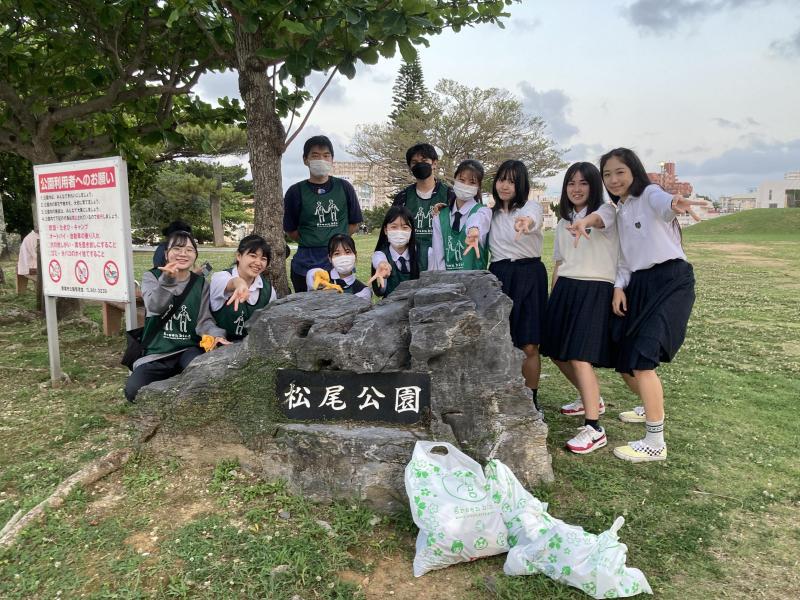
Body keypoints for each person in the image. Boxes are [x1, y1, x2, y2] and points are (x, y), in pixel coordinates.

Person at [570, 147, 705, 462]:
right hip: (638, 284)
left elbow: (664, 203)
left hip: (671, 281)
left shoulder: (649, 194)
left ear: (634, 171)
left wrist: (674, 203)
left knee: (643, 359)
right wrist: (619, 287)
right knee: (626, 356)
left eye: (620, 172)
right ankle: (648, 405)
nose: (614, 179)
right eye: (607, 174)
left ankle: (655, 442)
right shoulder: (620, 211)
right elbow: (625, 258)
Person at [540, 162, 619, 454]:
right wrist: (554, 294)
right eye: (571, 183)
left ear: (594, 186)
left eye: (583, 183)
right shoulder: (564, 221)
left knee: (579, 355)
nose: (576, 189)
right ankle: (591, 399)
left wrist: (585, 222)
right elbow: (560, 262)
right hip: (566, 288)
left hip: (595, 288)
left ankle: (594, 428)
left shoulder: (607, 211)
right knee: (555, 351)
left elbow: (598, 220)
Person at [125, 230, 229, 402]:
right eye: (177, 248)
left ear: (195, 255)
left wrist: (217, 336)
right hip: (158, 351)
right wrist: (167, 280)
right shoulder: (152, 276)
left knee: (203, 381)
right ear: (167, 253)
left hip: (188, 349)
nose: (183, 253)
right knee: (133, 391)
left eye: (189, 250)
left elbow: (204, 321)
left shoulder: (200, 283)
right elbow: (155, 307)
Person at [486, 160, 547, 413]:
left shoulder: (530, 207)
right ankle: (503, 395)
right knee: (502, 341)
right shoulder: (490, 214)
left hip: (529, 274)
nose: (505, 186)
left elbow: (532, 218)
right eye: (502, 179)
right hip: (499, 275)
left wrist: (525, 223)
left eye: (512, 181)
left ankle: (531, 401)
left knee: (529, 343)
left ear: (521, 184)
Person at [283, 135, 363, 293]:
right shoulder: (295, 191)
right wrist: (313, 239)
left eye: (326, 155)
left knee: (341, 302)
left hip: (338, 263)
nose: (321, 159)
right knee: (306, 305)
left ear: (332, 160)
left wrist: (336, 243)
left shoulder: (344, 187)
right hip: (305, 263)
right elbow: (291, 230)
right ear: (305, 159)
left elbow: (354, 223)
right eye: (315, 155)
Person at [392, 143, 455, 271]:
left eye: (424, 161)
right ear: (410, 167)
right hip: (411, 263)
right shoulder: (402, 197)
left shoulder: (450, 195)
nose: (419, 165)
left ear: (434, 163)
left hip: (443, 263)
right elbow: (392, 230)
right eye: (414, 162)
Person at [210, 234, 276, 341]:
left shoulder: (268, 291)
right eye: (253, 256)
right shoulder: (220, 277)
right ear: (239, 256)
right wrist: (240, 284)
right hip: (219, 344)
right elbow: (231, 283)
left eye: (263, 259)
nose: (258, 263)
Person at [429, 159, 492, 271]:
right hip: (447, 280)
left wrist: (473, 228)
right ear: (455, 180)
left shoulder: (483, 212)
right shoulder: (440, 216)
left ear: (478, 186)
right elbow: (438, 257)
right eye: (462, 180)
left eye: (472, 182)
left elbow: (479, 219)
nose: (466, 185)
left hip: (476, 280)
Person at [371, 205, 420, 297]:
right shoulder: (381, 254)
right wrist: (383, 266)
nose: (399, 232)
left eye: (405, 227)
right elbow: (379, 261)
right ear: (386, 230)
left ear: (412, 230)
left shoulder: (426, 253)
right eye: (394, 227)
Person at [306, 234, 372, 301]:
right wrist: (315, 275)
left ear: (355, 255)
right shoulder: (321, 278)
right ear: (330, 258)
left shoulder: (362, 291)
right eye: (337, 254)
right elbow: (311, 275)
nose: (343, 257)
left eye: (347, 252)